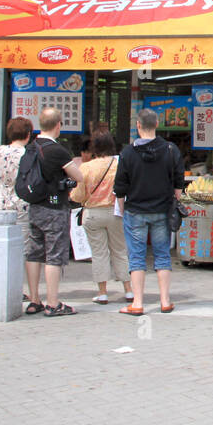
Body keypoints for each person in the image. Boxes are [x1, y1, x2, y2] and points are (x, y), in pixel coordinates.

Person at [113, 108, 185, 316]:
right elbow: (179, 181)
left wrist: (122, 209)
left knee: (136, 257)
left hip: (135, 211)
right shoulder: (171, 150)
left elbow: (120, 187)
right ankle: (165, 301)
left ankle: (137, 303)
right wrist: (175, 201)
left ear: (138, 126)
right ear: (156, 125)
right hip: (162, 210)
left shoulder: (127, 153)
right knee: (162, 255)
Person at [24, 107, 84, 317]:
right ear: (58, 125)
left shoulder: (31, 147)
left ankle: (34, 300)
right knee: (54, 256)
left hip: (34, 207)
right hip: (54, 207)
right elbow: (78, 176)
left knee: (34, 252)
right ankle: (53, 302)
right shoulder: (57, 150)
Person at [70, 129, 132, 305]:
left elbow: (78, 195)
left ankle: (103, 293)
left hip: (93, 214)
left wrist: (74, 196)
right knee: (120, 251)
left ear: (94, 147)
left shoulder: (87, 167)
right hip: (116, 213)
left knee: (99, 253)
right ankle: (128, 290)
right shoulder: (119, 164)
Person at [0, 117, 34, 300]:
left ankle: (0, 284)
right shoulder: (27, 154)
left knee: (2, 245)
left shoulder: (0, 151)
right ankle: (16, 288)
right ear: (28, 134)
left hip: (1, 202)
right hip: (21, 202)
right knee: (22, 248)